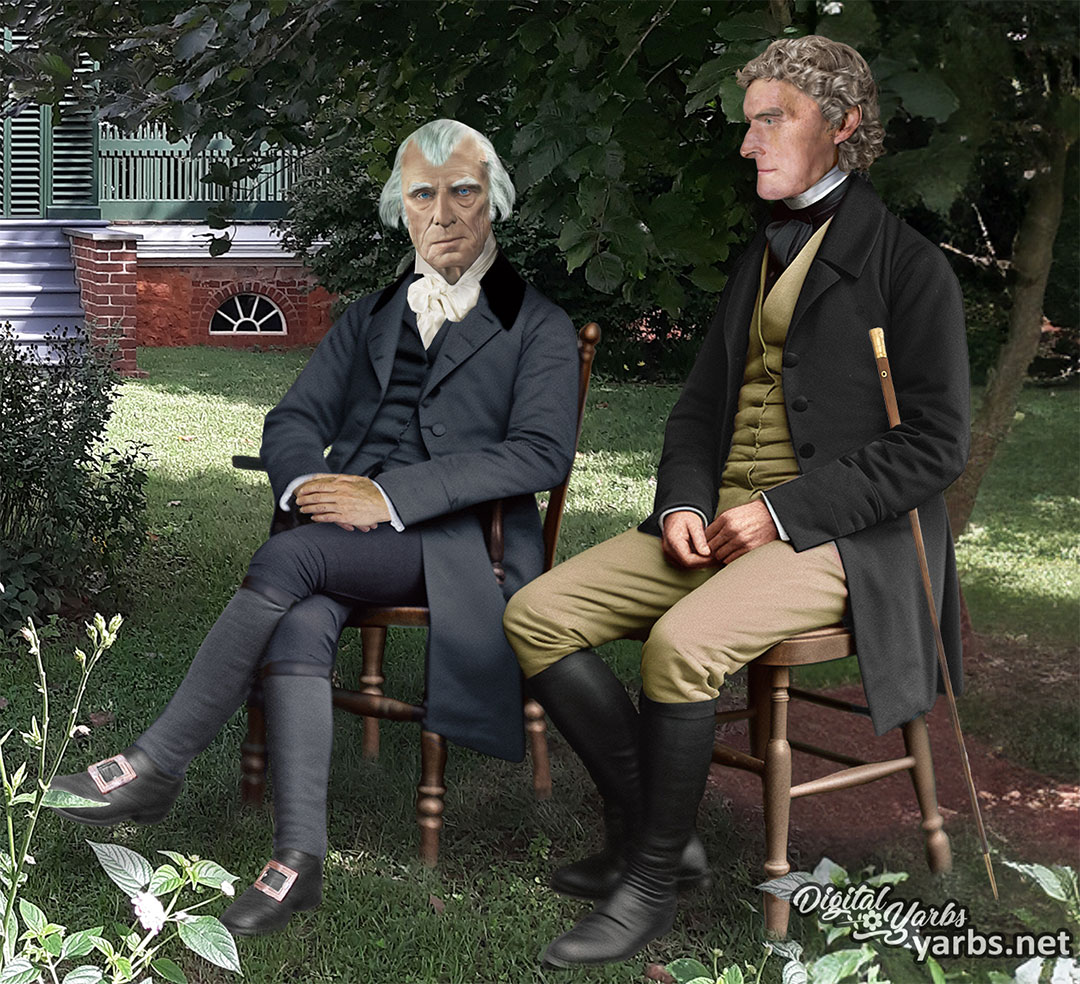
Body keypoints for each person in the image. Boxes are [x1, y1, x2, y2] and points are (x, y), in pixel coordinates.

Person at [503, 35, 970, 969]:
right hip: (717, 518)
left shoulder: (910, 267)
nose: (750, 143)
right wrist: (682, 500)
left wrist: (782, 513)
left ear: (841, 127)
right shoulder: (758, 258)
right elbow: (700, 409)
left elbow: (935, 446)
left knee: (681, 648)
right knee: (535, 613)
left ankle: (644, 890)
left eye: (773, 120)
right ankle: (662, 841)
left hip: (845, 538)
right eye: (748, 122)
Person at [49, 119, 580, 937]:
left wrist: (390, 496)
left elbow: (541, 454)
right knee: (298, 606)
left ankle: (156, 764)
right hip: (343, 533)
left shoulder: (536, 323)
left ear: (496, 201)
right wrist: (304, 480)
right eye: (421, 195)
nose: (442, 213)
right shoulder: (370, 315)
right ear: (400, 211)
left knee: (290, 561)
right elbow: (294, 415)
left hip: (457, 543)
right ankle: (298, 861)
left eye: (463, 191)